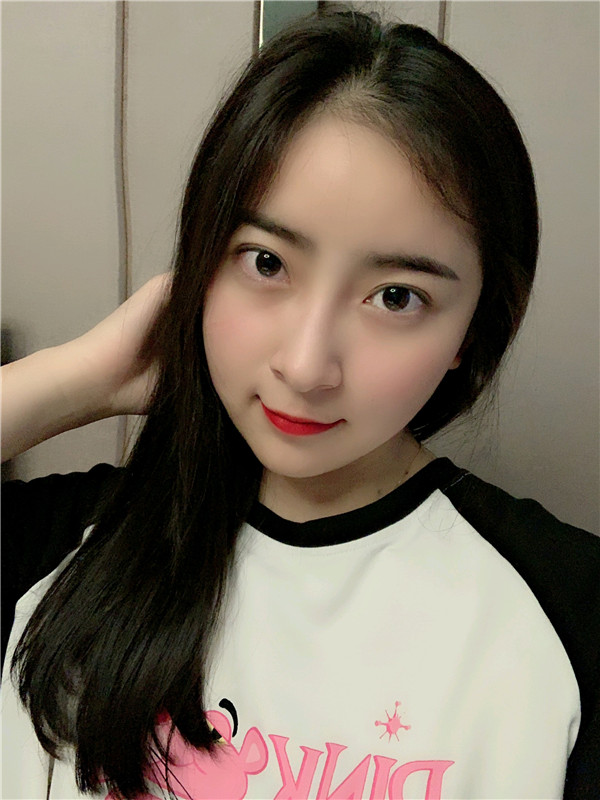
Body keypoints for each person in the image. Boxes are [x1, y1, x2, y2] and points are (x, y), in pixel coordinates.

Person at [1, 6, 598, 800]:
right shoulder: (72, 549)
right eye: (265, 262)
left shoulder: (565, 615)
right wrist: (78, 379)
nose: (307, 365)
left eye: (396, 296)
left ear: (473, 331)